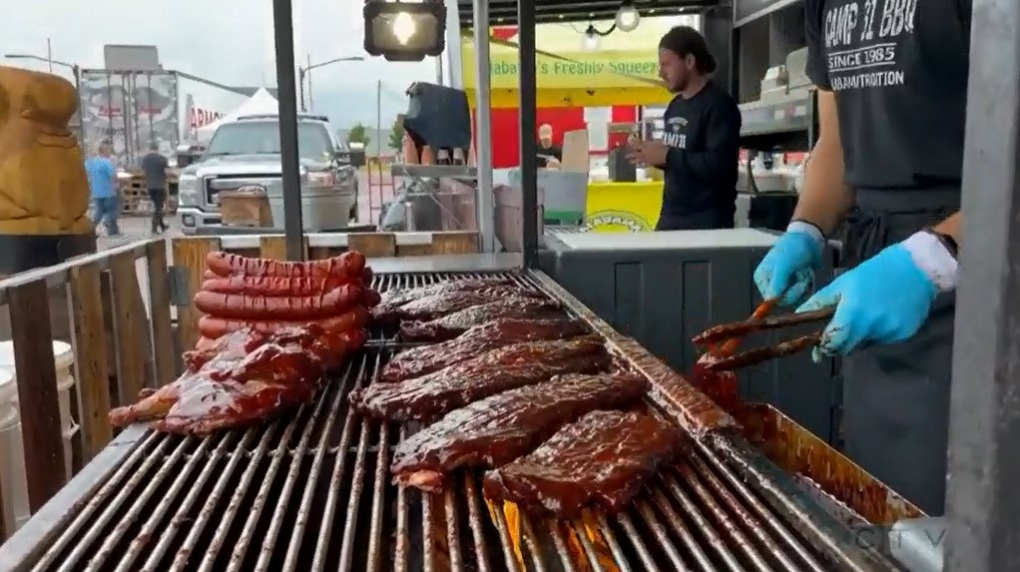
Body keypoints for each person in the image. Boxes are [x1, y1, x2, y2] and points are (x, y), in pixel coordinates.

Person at [752, 0, 969, 515]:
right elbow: (838, 142)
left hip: (987, 258)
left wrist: (935, 254)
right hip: (877, 255)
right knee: (886, 498)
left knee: (962, 514)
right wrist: (806, 227)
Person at [626, 25, 741, 230]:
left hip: (706, 223)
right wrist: (651, 153)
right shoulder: (674, 106)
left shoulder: (719, 105)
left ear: (689, 61)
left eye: (667, 65)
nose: (661, 73)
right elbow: (681, 157)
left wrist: (666, 156)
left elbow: (719, 164)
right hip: (670, 216)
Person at [84, 143, 119, 236]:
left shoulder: (90, 162)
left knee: (99, 211)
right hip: (108, 191)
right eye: (109, 151)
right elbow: (113, 176)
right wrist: (115, 185)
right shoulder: (107, 162)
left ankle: (91, 229)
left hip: (96, 192)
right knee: (111, 210)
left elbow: (86, 174)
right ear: (105, 151)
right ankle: (112, 229)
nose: (110, 153)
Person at [141, 142, 170, 234]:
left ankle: (162, 225)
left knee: (157, 205)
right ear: (157, 149)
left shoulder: (145, 159)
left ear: (150, 149)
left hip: (150, 186)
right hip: (160, 186)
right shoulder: (162, 159)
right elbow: (167, 172)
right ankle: (154, 226)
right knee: (159, 207)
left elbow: (143, 172)